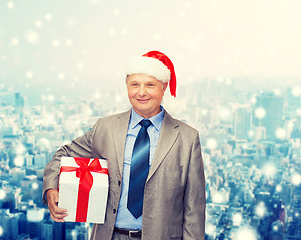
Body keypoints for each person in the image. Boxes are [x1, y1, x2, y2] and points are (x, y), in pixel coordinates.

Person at [43, 50, 206, 240]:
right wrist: (51, 187)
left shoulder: (187, 138)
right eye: (135, 85)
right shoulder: (106, 127)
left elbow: (194, 209)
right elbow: (64, 154)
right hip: (109, 235)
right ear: (127, 87)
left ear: (163, 87)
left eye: (150, 85)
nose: (141, 92)